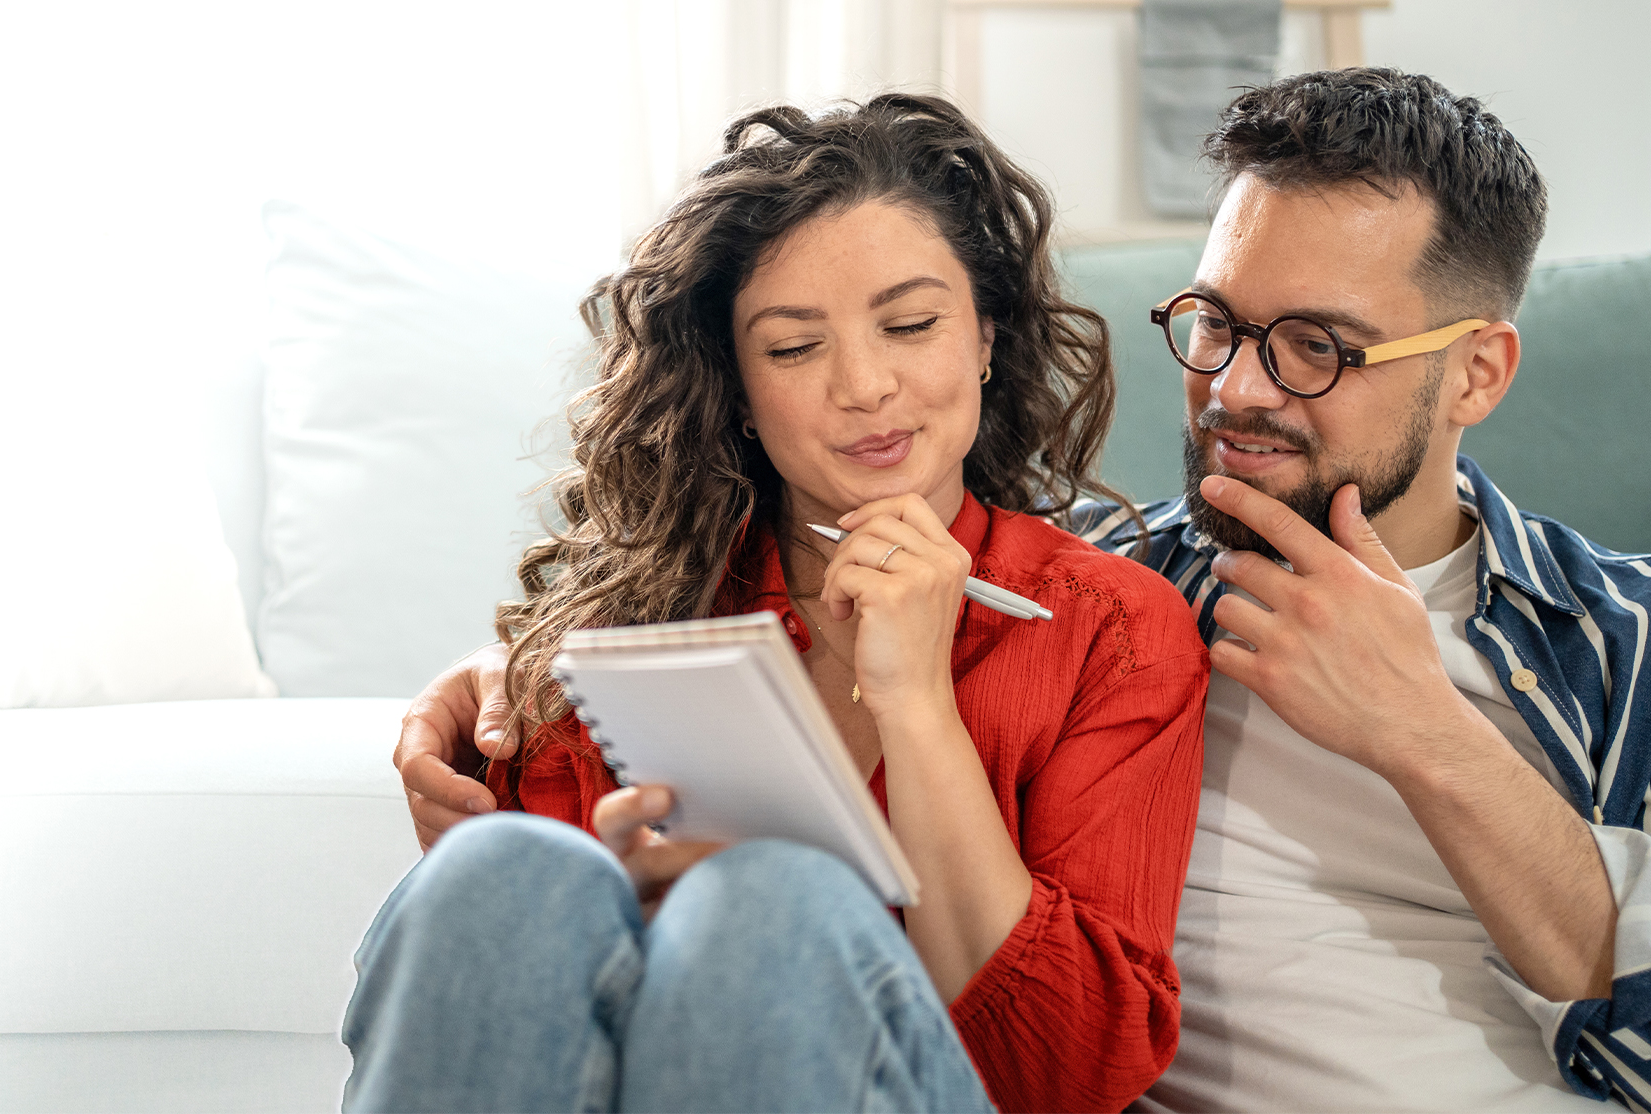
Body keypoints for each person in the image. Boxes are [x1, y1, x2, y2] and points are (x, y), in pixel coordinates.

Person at [351, 94, 1211, 1114]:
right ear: (740, 389)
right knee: (503, 867)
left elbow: (1066, 1072)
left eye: (911, 324)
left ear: (985, 335)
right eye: (794, 348)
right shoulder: (644, 617)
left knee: (772, 900)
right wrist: (639, 912)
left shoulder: (1110, 627)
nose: (863, 384)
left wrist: (918, 702)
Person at [1068, 68, 1651, 1112]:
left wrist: (1422, 730)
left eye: (1318, 347)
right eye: (1215, 322)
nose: (1236, 390)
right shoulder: (1091, 588)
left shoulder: (1626, 639)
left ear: (1477, 372)